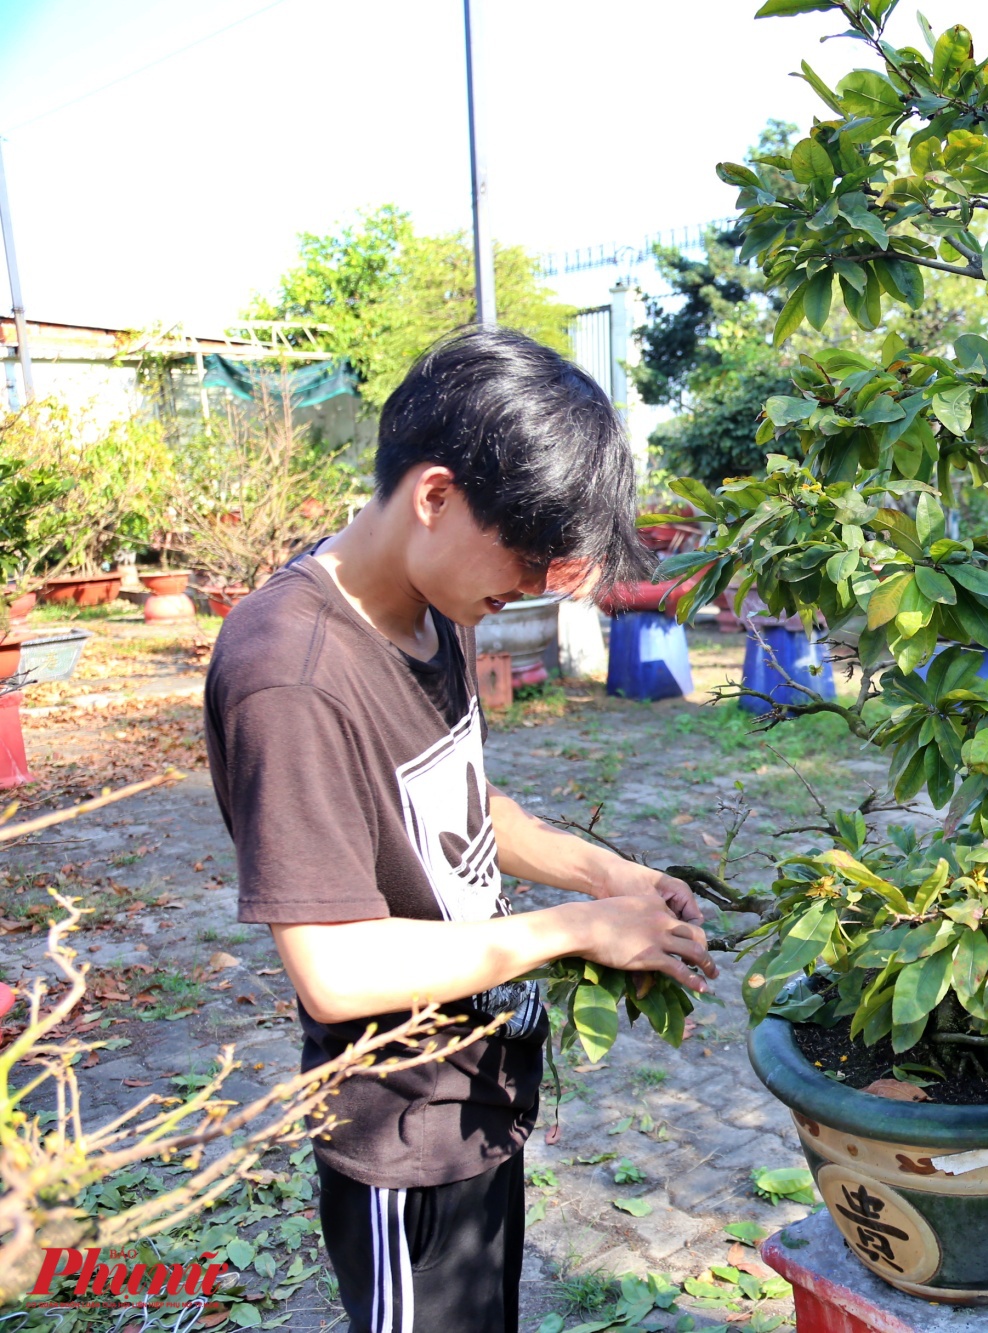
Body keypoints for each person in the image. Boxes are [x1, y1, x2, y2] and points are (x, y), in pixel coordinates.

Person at [204, 327, 719, 1333]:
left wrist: (604, 872)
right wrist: (571, 931)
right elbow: (333, 966)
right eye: (526, 558)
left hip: (476, 1085)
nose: (529, 590)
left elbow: (460, 802)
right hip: (398, 1128)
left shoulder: (432, 606)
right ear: (434, 496)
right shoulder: (292, 675)